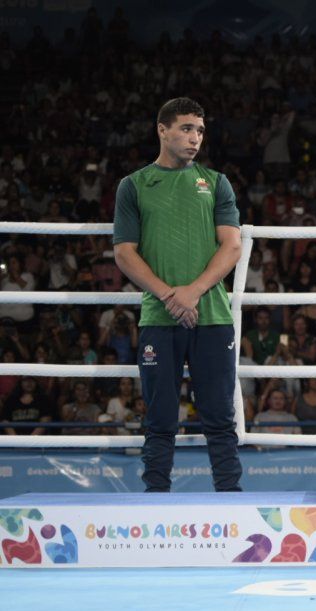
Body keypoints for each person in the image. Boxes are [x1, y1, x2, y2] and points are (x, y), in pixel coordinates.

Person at [113, 97, 243, 492]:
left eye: (200, 131)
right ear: (162, 130)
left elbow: (232, 246)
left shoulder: (217, 182)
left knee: (220, 415)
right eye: (186, 129)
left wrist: (194, 292)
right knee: (160, 417)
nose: (195, 138)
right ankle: (155, 497)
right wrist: (173, 296)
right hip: (159, 316)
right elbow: (124, 252)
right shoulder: (133, 185)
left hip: (213, 315)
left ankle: (231, 497)